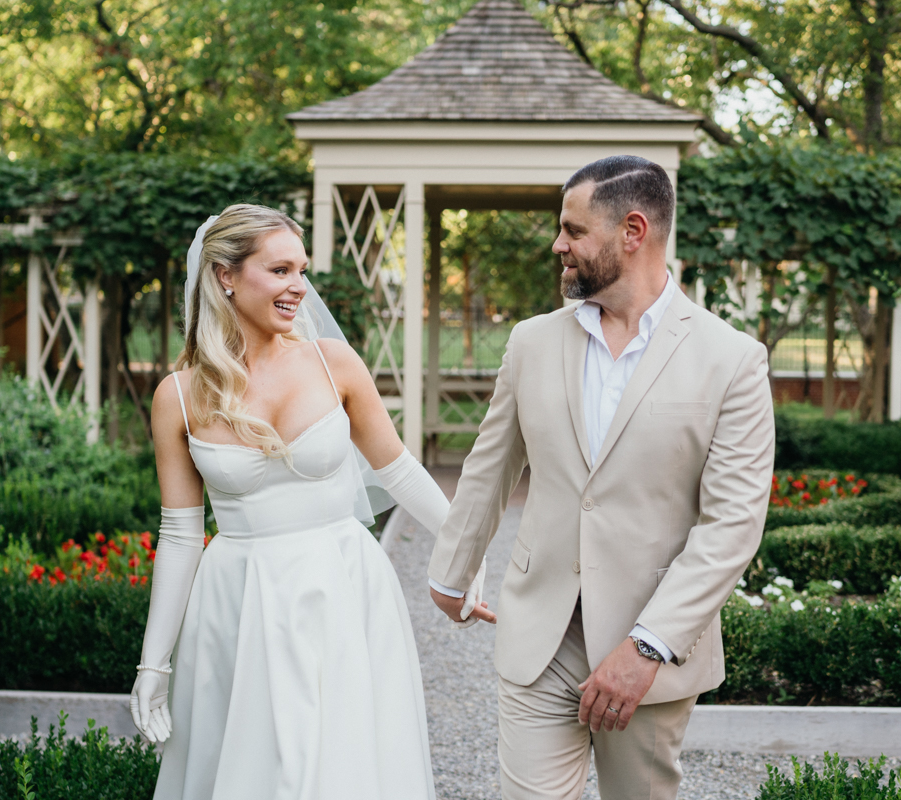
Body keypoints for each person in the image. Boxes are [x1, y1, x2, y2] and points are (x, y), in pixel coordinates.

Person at [427, 156, 775, 800]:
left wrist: (648, 648)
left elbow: (732, 526)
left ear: (632, 231)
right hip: (539, 636)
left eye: (573, 229)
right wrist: (451, 570)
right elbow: (490, 464)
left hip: (651, 648)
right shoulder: (532, 343)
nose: (558, 244)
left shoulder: (731, 361)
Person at [128, 203, 488, 800]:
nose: (299, 287)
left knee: (340, 767)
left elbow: (398, 471)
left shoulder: (333, 362)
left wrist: (463, 556)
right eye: (280, 270)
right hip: (236, 601)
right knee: (255, 772)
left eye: (301, 270)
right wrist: (153, 666)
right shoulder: (179, 397)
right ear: (225, 275)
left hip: (340, 586)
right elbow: (181, 534)